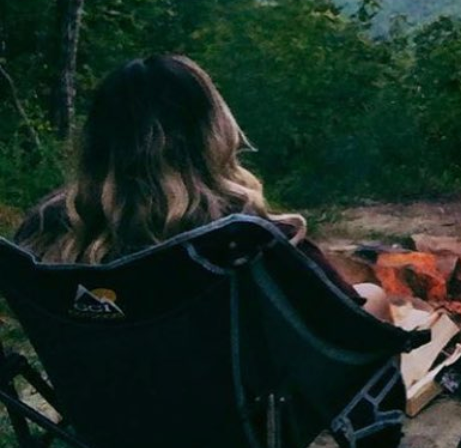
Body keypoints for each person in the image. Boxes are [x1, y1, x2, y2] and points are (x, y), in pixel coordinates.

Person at [16, 54, 391, 321]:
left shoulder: (48, 231)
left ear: (98, 140)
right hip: (230, 413)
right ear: (209, 134)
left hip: (108, 411)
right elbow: (340, 315)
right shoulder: (241, 235)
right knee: (371, 299)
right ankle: (374, 427)